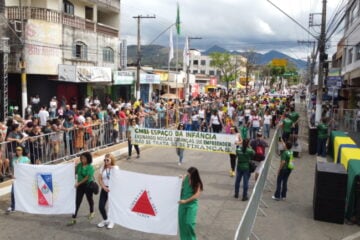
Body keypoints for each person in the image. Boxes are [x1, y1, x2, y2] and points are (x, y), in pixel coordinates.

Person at [67, 152, 95, 226]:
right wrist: (74, 166)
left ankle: (92, 212)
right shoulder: (79, 165)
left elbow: (87, 178)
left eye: (84, 158)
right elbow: (74, 172)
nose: (82, 160)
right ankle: (74, 218)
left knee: (89, 199)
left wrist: (78, 183)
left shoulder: (90, 167)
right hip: (80, 187)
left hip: (88, 185)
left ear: (88, 159)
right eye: (81, 158)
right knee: (77, 202)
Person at [178, 167, 204, 240]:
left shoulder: (197, 183)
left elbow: (196, 196)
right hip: (182, 204)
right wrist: (180, 179)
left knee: (189, 223)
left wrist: (186, 201)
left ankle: (192, 238)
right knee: (182, 223)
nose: (188, 175)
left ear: (194, 175)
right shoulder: (186, 177)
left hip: (191, 205)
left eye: (189, 174)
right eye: (187, 173)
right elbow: (180, 181)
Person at [97, 153, 119, 229]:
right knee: (101, 206)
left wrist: (111, 168)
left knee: (112, 207)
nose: (105, 161)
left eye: (107, 160)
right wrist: (103, 187)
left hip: (113, 189)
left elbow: (118, 179)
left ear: (111, 160)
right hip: (104, 188)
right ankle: (105, 219)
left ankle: (112, 221)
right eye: (104, 160)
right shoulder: (102, 167)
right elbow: (99, 179)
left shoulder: (115, 168)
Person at [7, 146, 31, 213]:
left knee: (24, 193)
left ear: (22, 151)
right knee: (13, 192)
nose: (18, 151)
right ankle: (13, 206)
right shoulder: (14, 159)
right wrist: (12, 175)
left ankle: (25, 206)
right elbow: (14, 168)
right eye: (17, 150)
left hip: (23, 178)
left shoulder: (25, 158)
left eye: (19, 150)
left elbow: (28, 166)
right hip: (16, 178)